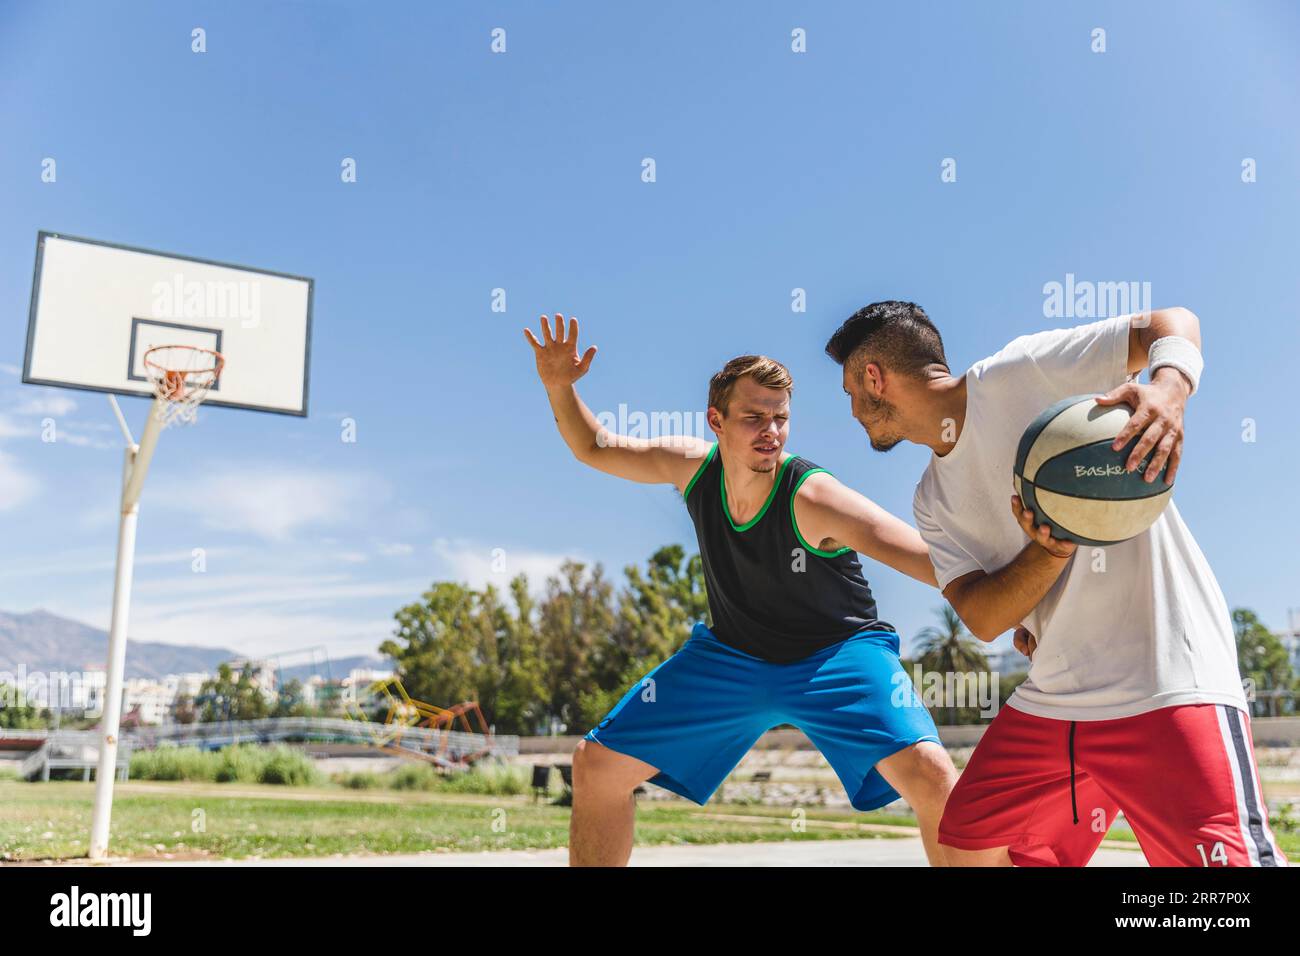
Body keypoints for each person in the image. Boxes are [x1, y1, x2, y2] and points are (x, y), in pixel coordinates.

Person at [824, 300, 1287, 867]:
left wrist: (1170, 390)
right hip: (1056, 701)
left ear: (875, 377)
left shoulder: (1020, 373)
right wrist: (1046, 553)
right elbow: (984, 616)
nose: (851, 410)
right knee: (965, 842)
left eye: (850, 391)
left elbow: (1173, 321)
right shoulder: (931, 500)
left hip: (1166, 681)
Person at [525, 312, 957, 866]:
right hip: (731, 654)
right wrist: (560, 386)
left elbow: (931, 561)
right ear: (716, 421)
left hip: (837, 655)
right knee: (597, 764)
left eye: (780, 417)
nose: (770, 431)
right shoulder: (691, 469)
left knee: (934, 776)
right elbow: (594, 446)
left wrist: (1025, 610)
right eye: (754, 417)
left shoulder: (813, 495)